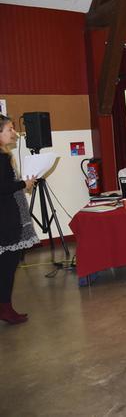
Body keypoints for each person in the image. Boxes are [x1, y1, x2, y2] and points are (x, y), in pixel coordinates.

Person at [0, 115, 39, 324]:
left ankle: (5, 307)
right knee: (7, 267)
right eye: (9, 129)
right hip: (5, 219)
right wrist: (24, 184)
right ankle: (5, 309)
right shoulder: (2, 158)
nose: (14, 133)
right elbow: (3, 188)